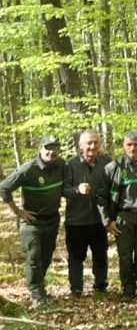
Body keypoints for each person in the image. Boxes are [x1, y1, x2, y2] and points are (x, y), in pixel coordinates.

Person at [0, 135, 66, 308]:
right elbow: (4, 188)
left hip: (52, 219)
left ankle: (39, 286)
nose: (52, 152)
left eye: (55, 148)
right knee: (34, 256)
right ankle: (37, 295)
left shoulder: (61, 165)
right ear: (40, 148)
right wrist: (18, 212)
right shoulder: (28, 169)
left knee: (46, 256)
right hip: (31, 222)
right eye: (48, 148)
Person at [102, 131, 137, 301]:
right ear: (123, 146)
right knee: (125, 256)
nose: (133, 148)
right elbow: (102, 196)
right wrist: (108, 220)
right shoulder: (114, 167)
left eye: (136, 144)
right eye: (129, 144)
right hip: (123, 217)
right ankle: (127, 290)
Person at [62, 130, 112, 297]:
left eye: (95, 143)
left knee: (101, 255)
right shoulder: (71, 165)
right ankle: (76, 289)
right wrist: (77, 190)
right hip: (76, 221)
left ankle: (100, 286)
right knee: (76, 257)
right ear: (80, 146)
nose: (92, 146)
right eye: (89, 143)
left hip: (99, 219)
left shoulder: (107, 162)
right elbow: (63, 190)